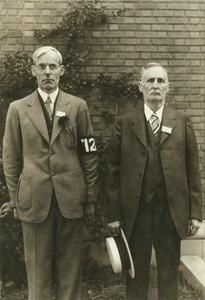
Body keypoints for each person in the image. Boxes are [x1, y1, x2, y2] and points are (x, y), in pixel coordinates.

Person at [2, 46, 98, 300]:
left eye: (52, 66)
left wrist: (90, 197)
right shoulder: (18, 108)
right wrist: (15, 199)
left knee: (71, 270)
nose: (47, 72)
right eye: (42, 67)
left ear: (61, 71)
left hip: (71, 198)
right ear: (33, 71)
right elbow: (10, 159)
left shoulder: (78, 107)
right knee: (37, 271)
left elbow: (89, 153)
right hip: (34, 200)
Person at [105, 62, 202, 300]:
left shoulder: (182, 121)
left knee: (169, 271)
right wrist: (113, 213)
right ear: (141, 87)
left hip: (171, 210)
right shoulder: (124, 123)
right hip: (136, 211)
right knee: (136, 273)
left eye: (160, 81)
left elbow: (193, 169)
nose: (155, 86)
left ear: (168, 87)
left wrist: (195, 213)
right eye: (150, 81)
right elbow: (112, 171)